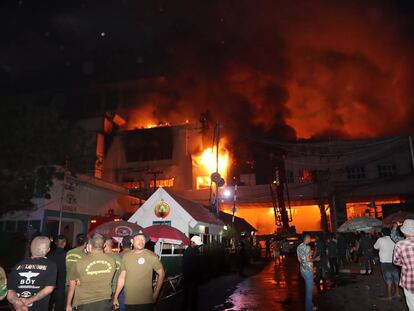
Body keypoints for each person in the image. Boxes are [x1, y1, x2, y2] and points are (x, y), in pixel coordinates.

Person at [113, 230, 165, 311]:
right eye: (138, 238)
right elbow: (122, 277)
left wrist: (156, 294)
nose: (141, 241)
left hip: (145, 301)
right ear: (132, 241)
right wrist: (116, 296)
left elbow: (161, 273)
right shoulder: (126, 257)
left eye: (143, 239)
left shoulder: (151, 255)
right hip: (129, 301)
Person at [66, 233, 116, 311]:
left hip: (84, 303)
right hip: (105, 302)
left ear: (89, 246)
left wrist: (68, 304)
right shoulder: (112, 261)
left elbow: (72, 286)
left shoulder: (80, 262)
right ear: (104, 246)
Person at [7, 236, 57, 311]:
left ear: (30, 248)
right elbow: (49, 288)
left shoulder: (17, 266)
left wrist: (17, 302)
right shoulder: (51, 265)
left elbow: (10, 292)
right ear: (48, 250)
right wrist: (29, 301)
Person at [374, 227, 400, 300]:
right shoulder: (394, 239)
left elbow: (375, 247)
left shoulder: (380, 239)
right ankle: (397, 293)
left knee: (388, 278)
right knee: (396, 278)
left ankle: (389, 296)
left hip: (384, 262)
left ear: (382, 233)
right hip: (394, 261)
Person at [393, 219, 414, 310]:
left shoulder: (400, 245)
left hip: (409, 281)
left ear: (404, 232)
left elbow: (396, 261)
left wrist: (406, 263)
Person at [297, 234, 320, 311]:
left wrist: (311, 254)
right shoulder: (307, 247)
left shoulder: (299, 246)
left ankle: (311, 305)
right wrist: (315, 259)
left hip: (302, 270)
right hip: (308, 271)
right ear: (307, 238)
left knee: (308, 289)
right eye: (310, 238)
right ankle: (308, 308)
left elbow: (299, 259)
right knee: (309, 291)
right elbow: (307, 259)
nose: (311, 239)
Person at [182, 235, 203, 311]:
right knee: (191, 297)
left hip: (189, 278)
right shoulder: (190, 253)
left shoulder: (191, 251)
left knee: (187, 297)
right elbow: (193, 267)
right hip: (191, 279)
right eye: (197, 244)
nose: (198, 246)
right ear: (192, 243)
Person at [48, 235, 67, 311]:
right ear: (64, 243)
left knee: (49, 306)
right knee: (59, 307)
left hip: (50, 285)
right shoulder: (67, 255)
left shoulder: (50, 255)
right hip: (61, 285)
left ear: (56, 243)